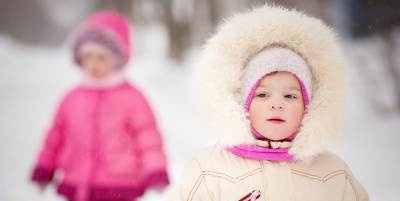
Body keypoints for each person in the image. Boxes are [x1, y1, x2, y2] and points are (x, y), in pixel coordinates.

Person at [171, 5, 368, 201]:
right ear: (242, 105)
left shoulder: (332, 174)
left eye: (290, 96)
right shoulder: (208, 172)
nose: (276, 105)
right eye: (263, 95)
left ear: (309, 108)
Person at [31, 11, 169, 201]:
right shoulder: (72, 98)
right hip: (76, 182)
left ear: (117, 58)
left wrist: (156, 171)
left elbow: (148, 137)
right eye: (88, 57)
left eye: (101, 58)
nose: (93, 64)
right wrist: (45, 168)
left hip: (119, 186)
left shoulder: (132, 98)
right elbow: (55, 135)